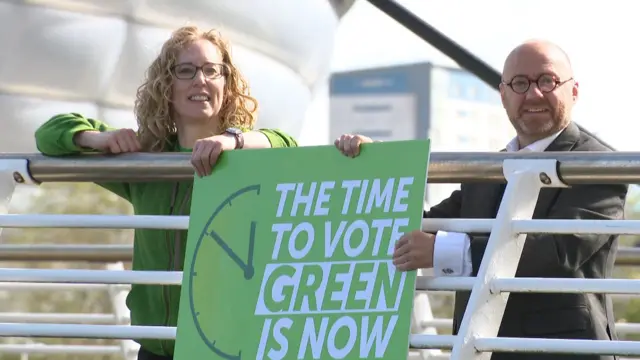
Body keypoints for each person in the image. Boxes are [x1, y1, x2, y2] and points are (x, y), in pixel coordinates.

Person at [335, 39, 627, 360]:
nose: (533, 94)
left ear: (573, 91)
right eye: (520, 83)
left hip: (564, 353)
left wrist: (440, 250)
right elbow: (416, 221)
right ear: (503, 95)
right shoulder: (486, 169)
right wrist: (375, 162)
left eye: (547, 81)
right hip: (483, 350)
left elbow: (558, 253)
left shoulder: (597, 165)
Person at [34, 25, 298, 360]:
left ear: (226, 85)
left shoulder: (247, 155)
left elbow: (286, 144)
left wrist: (231, 141)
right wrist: (97, 139)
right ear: (167, 87)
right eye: (185, 71)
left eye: (211, 70)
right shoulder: (148, 157)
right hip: (155, 344)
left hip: (227, 347)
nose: (199, 80)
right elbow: (48, 133)